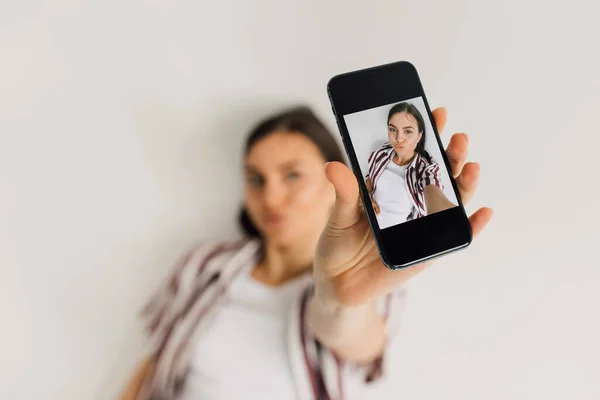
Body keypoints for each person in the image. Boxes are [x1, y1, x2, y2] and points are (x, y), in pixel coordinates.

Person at [119, 105, 493, 400]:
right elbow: (154, 365)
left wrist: (338, 298)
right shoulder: (206, 265)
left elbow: (357, 339)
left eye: (292, 175)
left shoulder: (375, 287)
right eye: (255, 178)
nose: (271, 197)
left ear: (337, 181)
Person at [366, 102, 457, 229]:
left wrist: (449, 218)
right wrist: (368, 197)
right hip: (365, 224)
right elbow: (369, 178)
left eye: (408, 131)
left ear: (419, 135)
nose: (398, 138)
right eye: (393, 129)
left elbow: (431, 186)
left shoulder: (426, 169)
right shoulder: (381, 154)